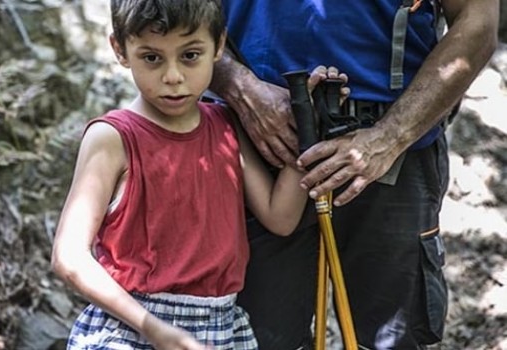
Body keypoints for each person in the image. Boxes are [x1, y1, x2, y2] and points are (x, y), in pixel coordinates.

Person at [51, 1, 347, 348]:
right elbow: (68, 257)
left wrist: (307, 126)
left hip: (220, 327)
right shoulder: (113, 138)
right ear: (119, 49)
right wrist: (153, 329)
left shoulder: (225, 127)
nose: (173, 76)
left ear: (219, 46)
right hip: (130, 328)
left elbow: (280, 217)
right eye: (152, 58)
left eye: (190, 55)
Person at [208, 1, 499, 349]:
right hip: (253, 139)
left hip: (394, 151)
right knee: (255, 340)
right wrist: (237, 86)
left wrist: (391, 136)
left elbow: (477, 20)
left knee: (392, 339)